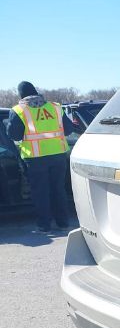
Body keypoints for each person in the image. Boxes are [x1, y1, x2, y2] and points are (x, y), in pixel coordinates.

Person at [6, 81, 81, 232]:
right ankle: (63, 223)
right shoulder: (55, 107)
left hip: (35, 158)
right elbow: (68, 130)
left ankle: (44, 225)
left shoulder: (19, 110)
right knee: (58, 189)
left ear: (21, 94)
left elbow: (13, 135)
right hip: (58, 155)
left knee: (40, 191)